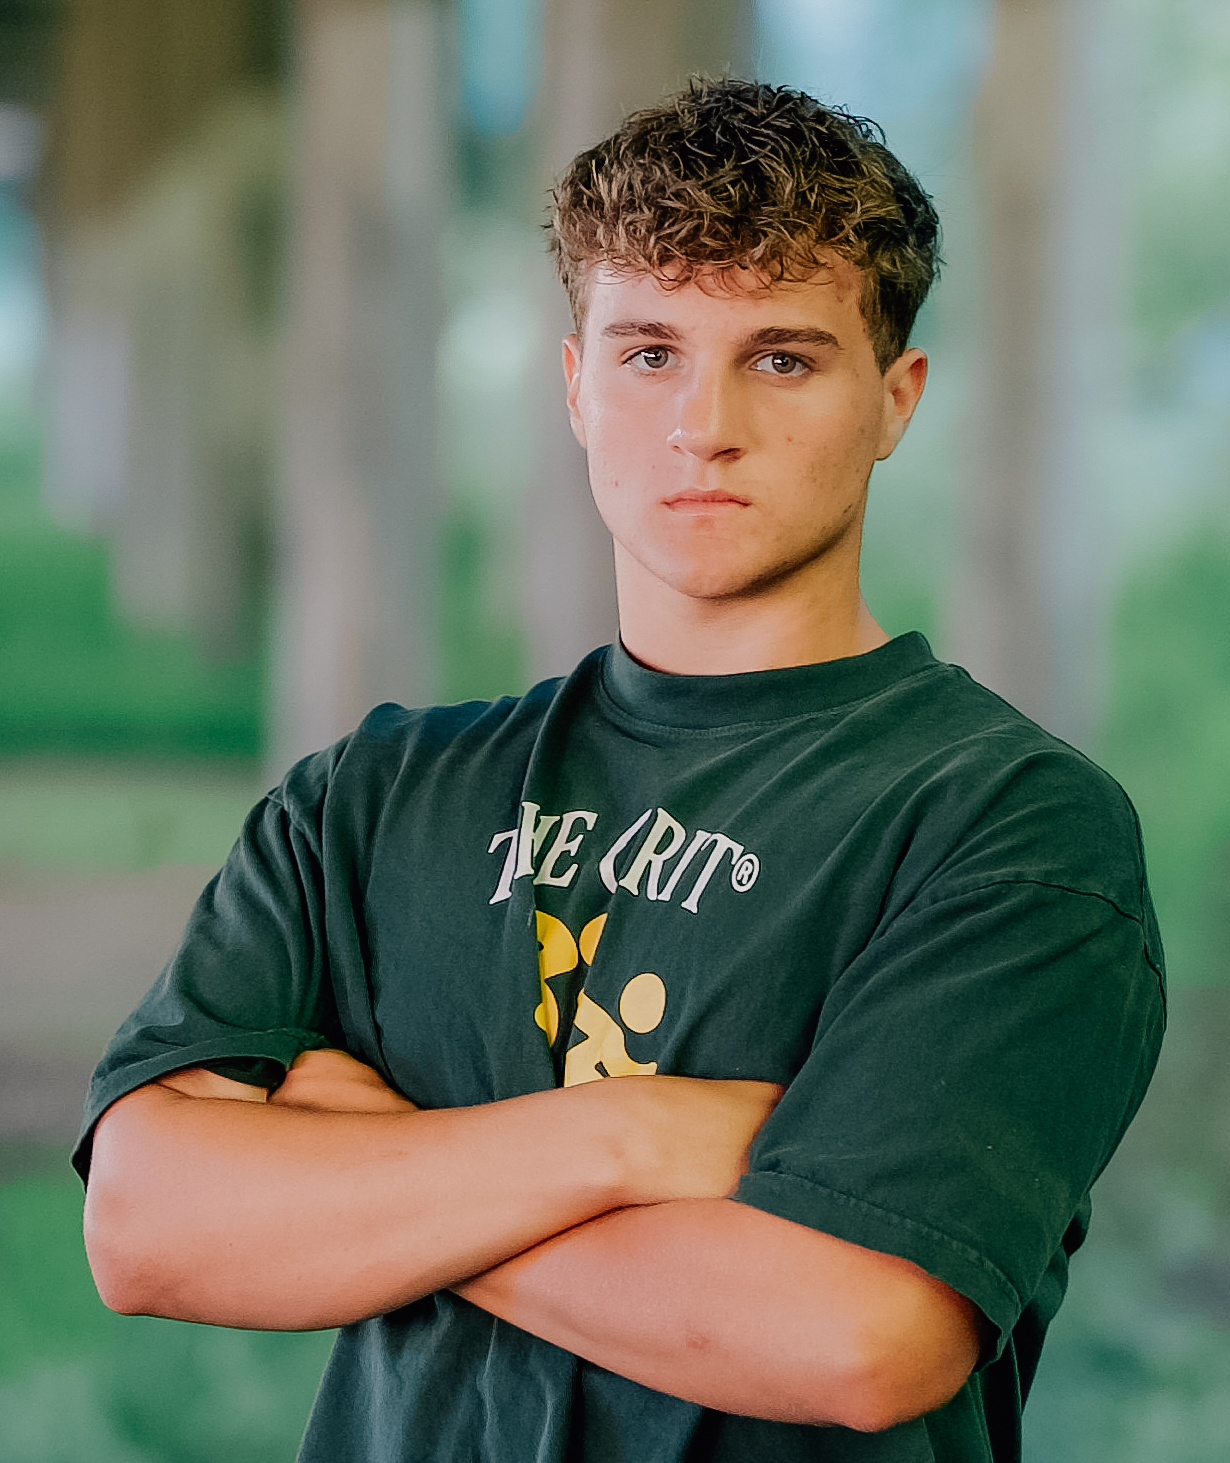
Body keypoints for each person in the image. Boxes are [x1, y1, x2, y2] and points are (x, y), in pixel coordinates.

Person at [75, 78, 1165, 1463]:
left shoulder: (1005, 825)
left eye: (781, 357)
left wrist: (385, 1175)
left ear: (895, 399)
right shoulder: (374, 797)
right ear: (579, 384)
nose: (702, 423)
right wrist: (623, 1138)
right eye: (650, 351)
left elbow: (857, 1334)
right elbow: (144, 1230)